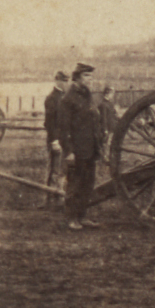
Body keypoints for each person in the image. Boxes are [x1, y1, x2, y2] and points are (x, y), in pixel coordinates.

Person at [59, 63, 104, 230]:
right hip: (76, 150)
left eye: (91, 76)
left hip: (90, 148)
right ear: (76, 78)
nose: (90, 79)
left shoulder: (87, 96)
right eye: (86, 76)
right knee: (75, 183)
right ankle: (71, 219)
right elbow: (63, 128)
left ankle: (82, 216)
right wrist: (69, 151)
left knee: (88, 183)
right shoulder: (68, 99)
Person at [42, 71, 69, 207]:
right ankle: (49, 199)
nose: (66, 84)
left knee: (62, 170)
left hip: (64, 140)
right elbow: (49, 123)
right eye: (64, 81)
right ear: (57, 81)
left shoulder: (64, 97)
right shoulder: (51, 98)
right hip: (56, 140)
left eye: (67, 81)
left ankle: (59, 198)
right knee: (54, 170)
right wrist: (54, 141)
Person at [98, 86, 119, 164]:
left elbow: (114, 115)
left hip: (112, 127)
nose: (113, 95)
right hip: (108, 128)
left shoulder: (110, 104)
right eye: (112, 93)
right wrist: (105, 129)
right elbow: (103, 118)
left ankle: (109, 157)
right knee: (107, 143)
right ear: (107, 94)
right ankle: (105, 158)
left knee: (110, 142)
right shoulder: (103, 105)